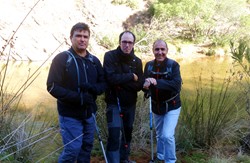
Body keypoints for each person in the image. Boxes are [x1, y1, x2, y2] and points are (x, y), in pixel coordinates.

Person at [46, 22, 106, 163]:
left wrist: (94, 89)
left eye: (85, 36)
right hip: (69, 115)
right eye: (78, 35)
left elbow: (103, 83)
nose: (82, 39)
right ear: (71, 37)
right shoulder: (62, 59)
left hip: (90, 113)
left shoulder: (94, 61)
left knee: (86, 148)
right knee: (73, 149)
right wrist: (78, 98)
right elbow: (52, 86)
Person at [103, 31, 143, 163]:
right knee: (114, 134)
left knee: (127, 133)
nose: (127, 45)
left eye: (130, 42)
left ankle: (124, 159)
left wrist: (120, 83)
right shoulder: (109, 56)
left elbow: (139, 85)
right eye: (124, 42)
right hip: (113, 102)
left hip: (130, 104)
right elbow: (110, 79)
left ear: (133, 44)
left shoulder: (137, 61)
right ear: (119, 42)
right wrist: (131, 76)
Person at [143, 39, 182, 163]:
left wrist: (156, 82)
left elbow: (176, 85)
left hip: (172, 106)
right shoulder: (148, 65)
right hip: (156, 106)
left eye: (162, 49)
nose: (160, 52)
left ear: (167, 50)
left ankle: (170, 160)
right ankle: (160, 157)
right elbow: (144, 85)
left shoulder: (173, 65)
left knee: (167, 135)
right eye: (157, 49)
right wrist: (145, 86)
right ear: (153, 50)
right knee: (159, 135)